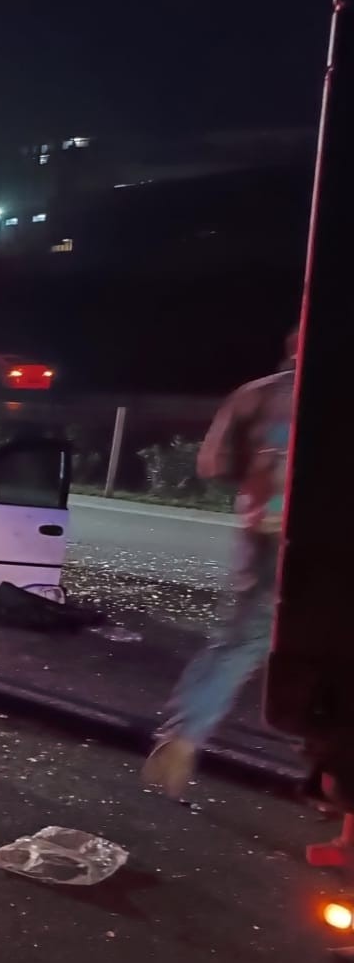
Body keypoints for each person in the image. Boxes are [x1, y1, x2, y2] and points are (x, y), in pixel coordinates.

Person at [144, 328, 297, 797]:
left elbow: (212, 463)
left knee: (240, 642)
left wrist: (261, 469)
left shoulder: (257, 394)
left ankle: (184, 735)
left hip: (267, 530)